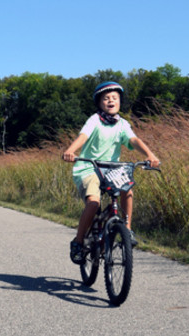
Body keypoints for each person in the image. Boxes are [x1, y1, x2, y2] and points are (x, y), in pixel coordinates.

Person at [62, 81, 160, 264]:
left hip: (111, 169)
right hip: (89, 167)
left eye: (115, 98)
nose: (111, 100)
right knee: (93, 203)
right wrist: (70, 151)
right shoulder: (94, 120)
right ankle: (78, 241)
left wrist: (149, 154)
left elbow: (134, 140)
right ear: (99, 103)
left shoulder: (122, 124)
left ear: (120, 102)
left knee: (127, 191)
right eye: (106, 98)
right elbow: (83, 137)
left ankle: (127, 231)